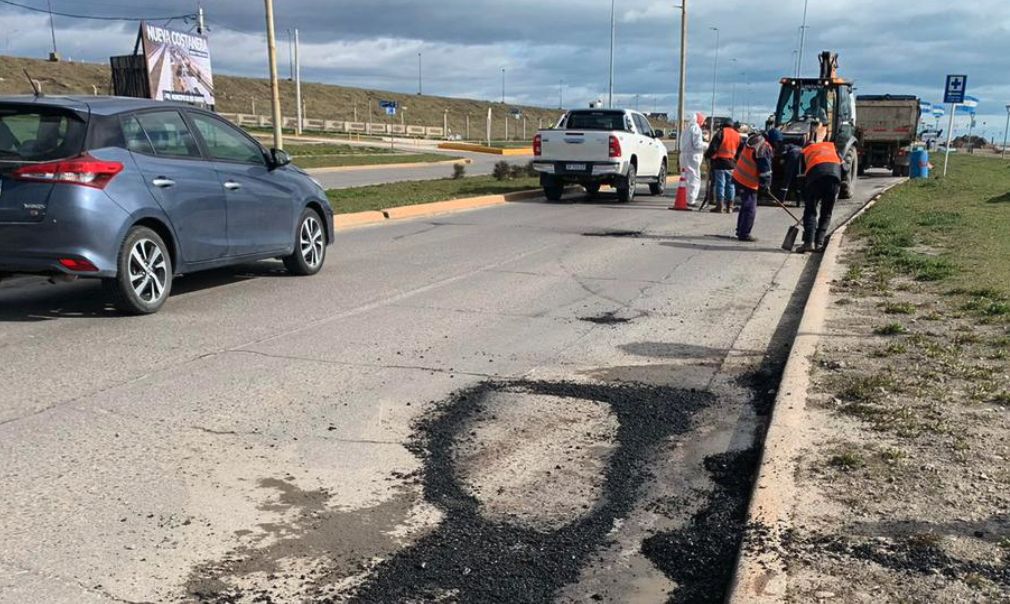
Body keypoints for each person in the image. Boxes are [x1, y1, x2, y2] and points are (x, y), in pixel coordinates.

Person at [798, 122, 842, 253]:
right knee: (826, 212)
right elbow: (843, 166)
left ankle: (808, 243)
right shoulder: (831, 147)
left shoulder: (805, 151)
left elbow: (800, 174)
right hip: (834, 178)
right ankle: (819, 243)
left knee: (811, 210)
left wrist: (802, 193)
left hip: (815, 178)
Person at [732, 131, 774, 242]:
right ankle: (744, 234)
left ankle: (740, 230)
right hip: (748, 181)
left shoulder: (754, 141)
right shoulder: (764, 147)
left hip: (739, 176)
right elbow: (765, 170)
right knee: (750, 208)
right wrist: (765, 185)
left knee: (745, 205)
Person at [704, 121, 742, 213]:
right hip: (732, 164)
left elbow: (713, 148)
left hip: (720, 163)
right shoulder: (737, 135)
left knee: (720, 185)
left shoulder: (721, 133)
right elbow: (740, 150)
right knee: (731, 185)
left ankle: (720, 206)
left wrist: (707, 156)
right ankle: (730, 207)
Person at [673, 112, 706, 208]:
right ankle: (691, 200)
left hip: (684, 156)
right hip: (692, 157)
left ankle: (685, 198)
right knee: (694, 178)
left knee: (685, 178)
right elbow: (698, 145)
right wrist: (707, 145)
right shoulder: (696, 129)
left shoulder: (686, 129)